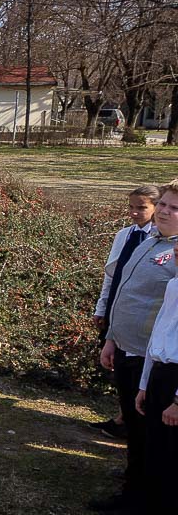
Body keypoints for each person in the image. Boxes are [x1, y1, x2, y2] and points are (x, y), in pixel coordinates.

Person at [97, 180, 178, 515]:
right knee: (133, 426)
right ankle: (131, 492)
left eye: (174, 208)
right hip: (126, 349)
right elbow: (125, 291)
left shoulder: (176, 252)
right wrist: (112, 337)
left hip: (153, 359)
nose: (164, 212)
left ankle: (145, 502)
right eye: (164, 205)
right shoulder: (149, 241)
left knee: (150, 437)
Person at [92, 185, 160, 438]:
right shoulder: (124, 235)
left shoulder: (159, 240)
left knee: (138, 369)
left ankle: (129, 420)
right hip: (119, 305)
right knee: (116, 363)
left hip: (144, 316)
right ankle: (124, 416)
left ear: (156, 208)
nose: (134, 213)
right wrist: (102, 307)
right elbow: (110, 275)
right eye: (131, 207)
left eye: (141, 207)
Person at [134, 274, 178, 515]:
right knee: (160, 451)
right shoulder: (174, 284)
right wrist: (144, 384)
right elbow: (159, 329)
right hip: (160, 373)